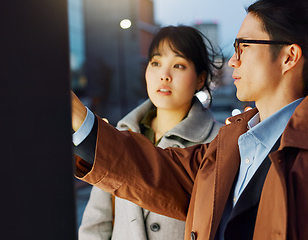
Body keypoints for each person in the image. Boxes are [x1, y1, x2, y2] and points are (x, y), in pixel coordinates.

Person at [71, 0, 308, 239]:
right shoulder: (229, 145)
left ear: (289, 56)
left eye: (244, 46)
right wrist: (77, 116)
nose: (233, 59)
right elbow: (156, 171)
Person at [77, 26, 223, 240]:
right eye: (156, 63)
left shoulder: (219, 142)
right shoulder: (121, 134)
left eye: (179, 66)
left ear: (200, 79)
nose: (164, 76)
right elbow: (96, 223)